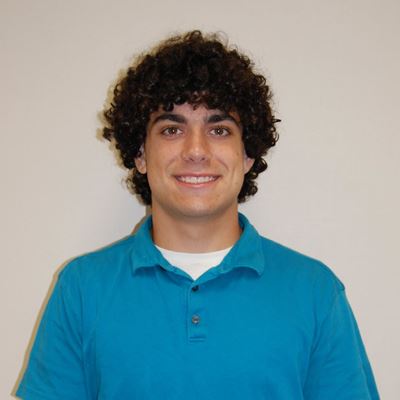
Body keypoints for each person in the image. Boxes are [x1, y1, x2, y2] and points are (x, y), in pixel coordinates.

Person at [16, 31, 379, 399]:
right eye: (172, 129)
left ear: (247, 155)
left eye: (219, 130)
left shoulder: (315, 292)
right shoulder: (81, 289)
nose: (196, 150)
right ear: (140, 154)